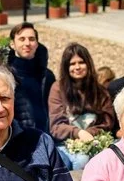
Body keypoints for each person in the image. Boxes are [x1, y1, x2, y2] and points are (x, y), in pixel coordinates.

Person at [48, 42, 116, 170]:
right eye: (72, 64)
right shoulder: (58, 89)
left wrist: (89, 134)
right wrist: (78, 133)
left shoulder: (100, 91)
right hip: (66, 144)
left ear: (88, 64)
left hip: (94, 141)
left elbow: (108, 122)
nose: (77, 67)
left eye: (81, 62)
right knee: (80, 160)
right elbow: (56, 126)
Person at [6, 22, 55, 134]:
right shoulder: (6, 76)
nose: (27, 43)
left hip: (47, 137)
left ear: (37, 44)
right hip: (19, 138)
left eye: (31, 39)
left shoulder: (47, 76)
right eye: (22, 39)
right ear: (12, 44)